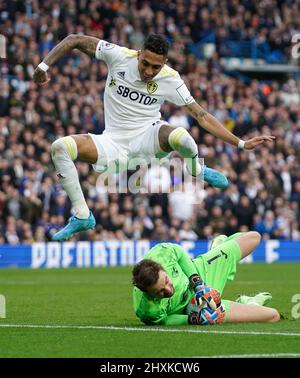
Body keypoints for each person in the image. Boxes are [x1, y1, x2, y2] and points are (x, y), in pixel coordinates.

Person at [33, 34, 275, 241]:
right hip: (113, 143)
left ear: (164, 63)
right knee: (59, 147)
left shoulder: (171, 78)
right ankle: (83, 215)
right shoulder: (119, 56)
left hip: (148, 136)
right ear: (138, 54)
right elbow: (74, 40)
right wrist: (43, 67)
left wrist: (241, 143)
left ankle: (196, 168)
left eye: (155, 67)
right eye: (145, 63)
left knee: (181, 136)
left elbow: (201, 115)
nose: (149, 71)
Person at [132, 232, 280, 325]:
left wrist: (197, 282)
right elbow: (165, 320)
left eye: (166, 281)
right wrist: (194, 319)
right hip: (200, 310)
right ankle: (251, 302)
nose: (168, 290)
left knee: (253, 238)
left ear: (162, 268)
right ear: (148, 293)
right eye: (160, 292)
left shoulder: (160, 254)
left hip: (199, 276)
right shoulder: (147, 310)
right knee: (273, 315)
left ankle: (215, 251)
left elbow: (181, 255)